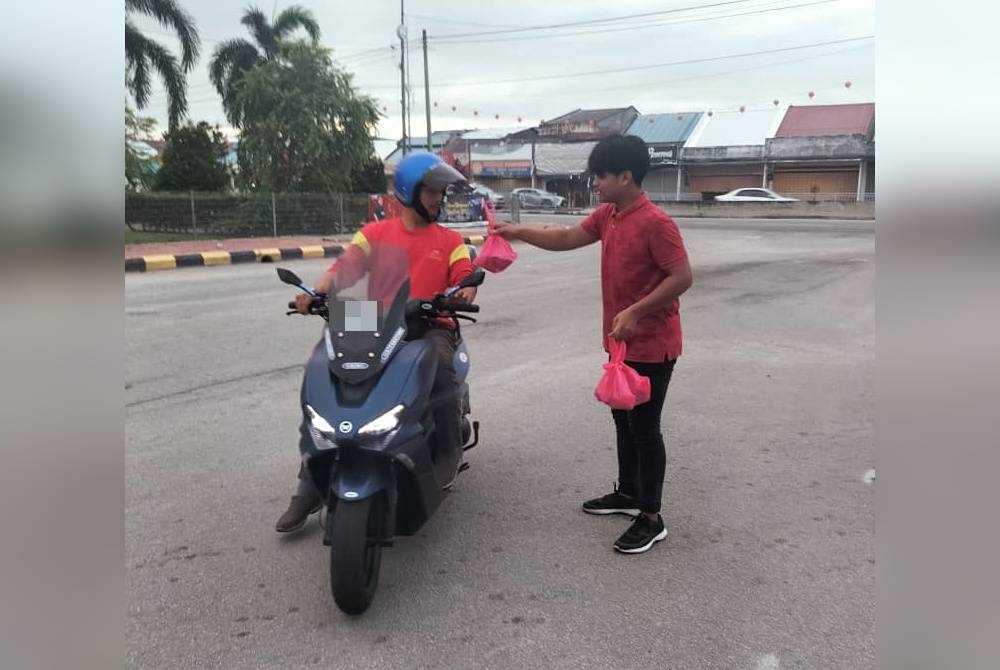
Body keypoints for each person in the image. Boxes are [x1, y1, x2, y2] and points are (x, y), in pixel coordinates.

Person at [493, 135, 693, 554]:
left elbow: (681, 277)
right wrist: (518, 231)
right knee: (623, 420)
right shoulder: (610, 215)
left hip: (652, 343)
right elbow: (566, 237)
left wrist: (636, 311)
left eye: (601, 175)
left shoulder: (656, 223)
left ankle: (652, 517)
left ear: (625, 176)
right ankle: (629, 492)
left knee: (644, 427)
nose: (596, 182)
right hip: (620, 342)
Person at [276, 152, 477, 533]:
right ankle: (310, 475)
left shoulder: (449, 239)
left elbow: (463, 272)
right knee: (323, 360)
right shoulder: (374, 234)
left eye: (440, 192)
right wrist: (314, 294)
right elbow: (344, 269)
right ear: (410, 191)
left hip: (428, 317)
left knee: (439, 360)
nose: (439, 198)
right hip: (377, 317)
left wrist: (460, 293)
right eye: (433, 191)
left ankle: (448, 445)